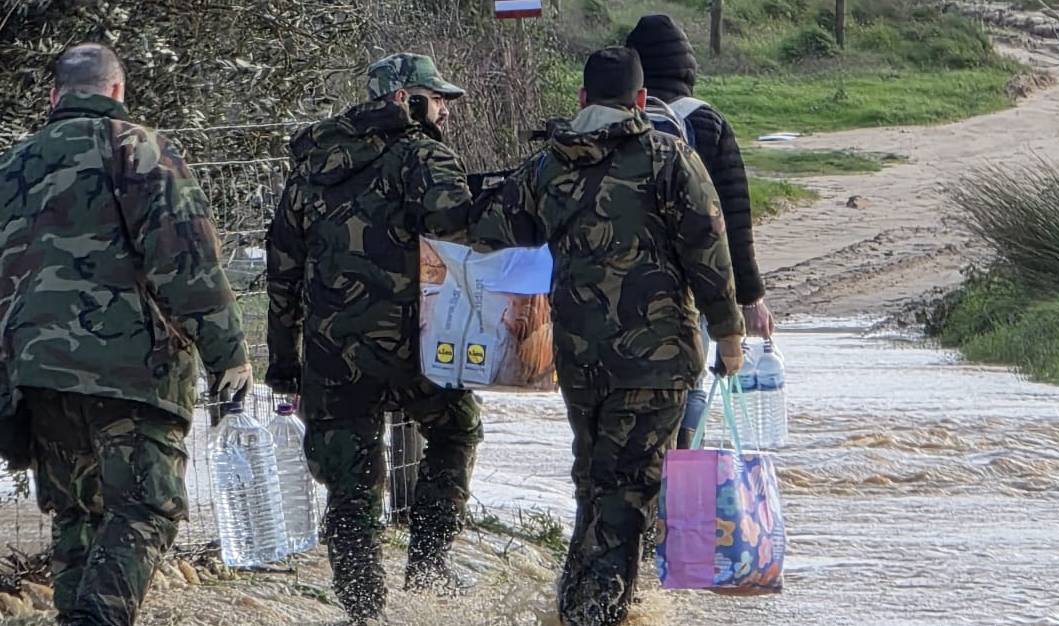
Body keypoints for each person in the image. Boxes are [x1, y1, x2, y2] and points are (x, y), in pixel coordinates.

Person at [468, 47, 745, 626]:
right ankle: (600, 615)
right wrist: (728, 334)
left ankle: (575, 608)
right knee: (629, 492)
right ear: (642, 101)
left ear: (582, 100)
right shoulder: (669, 158)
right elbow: (709, 252)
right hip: (657, 360)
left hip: (580, 359)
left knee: (595, 484)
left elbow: (493, 227)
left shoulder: (549, 164)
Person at [0, 43, 251, 626]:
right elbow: (186, 263)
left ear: (53, 95)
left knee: (76, 512)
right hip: (130, 370)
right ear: (117, 91)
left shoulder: (12, 164)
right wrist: (228, 355)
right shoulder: (139, 148)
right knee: (146, 505)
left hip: (35, 372)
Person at [265, 52, 483, 623]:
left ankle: (363, 606)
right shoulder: (424, 154)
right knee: (457, 432)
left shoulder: (311, 163)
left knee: (351, 479)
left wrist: (284, 359)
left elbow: (282, 270)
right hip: (416, 349)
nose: (444, 112)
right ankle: (429, 566)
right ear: (405, 99)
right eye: (438, 100)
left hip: (333, 353)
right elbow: (458, 230)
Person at [626, 14, 775, 448]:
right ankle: (680, 473)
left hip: (613, 285)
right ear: (687, 66)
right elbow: (733, 216)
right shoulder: (705, 123)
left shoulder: (613, 122)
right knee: (689, 385)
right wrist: (749, 298)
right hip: (687, 290)